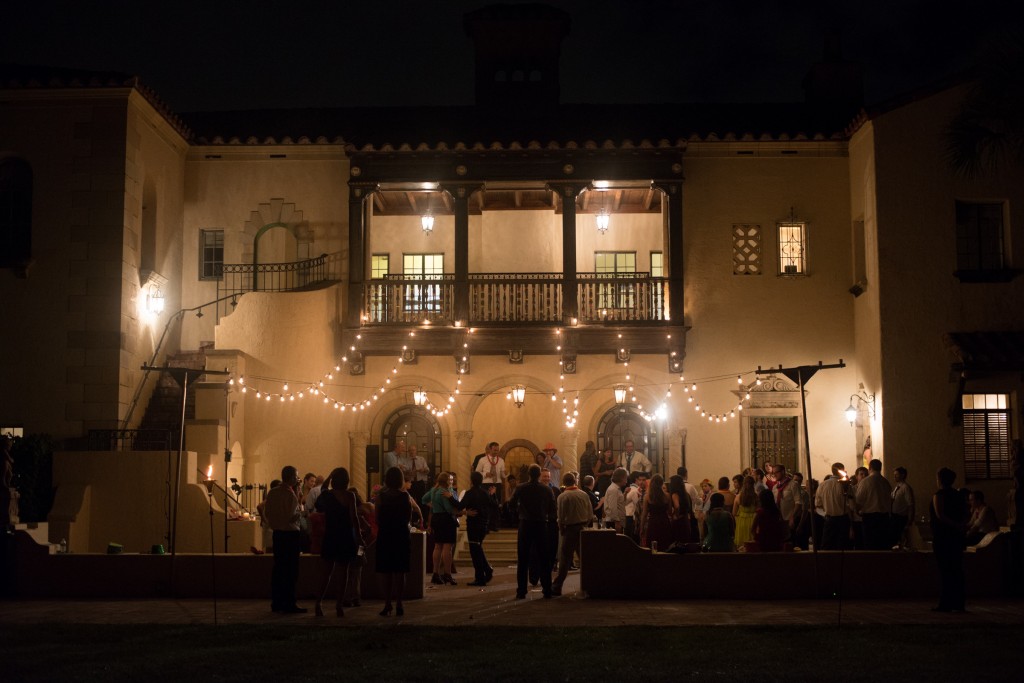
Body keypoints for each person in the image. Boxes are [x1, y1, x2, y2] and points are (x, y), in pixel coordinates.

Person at [314, 467, 364, 618]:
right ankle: (339, 606)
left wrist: (329, 475)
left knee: (326, 573)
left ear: (333, 480)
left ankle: (318, 603)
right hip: (345, 536)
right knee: (343, 573)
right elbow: (354, 518)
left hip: (331, 535)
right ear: (347, 481)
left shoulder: (328, 495)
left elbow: (321, 494)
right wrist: (359, 536)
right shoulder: (350, 496)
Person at [376, 466, 419, 617]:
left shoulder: (381, 496)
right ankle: (399, 603)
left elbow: (377, 517)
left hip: (386, 534)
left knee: (386, 571)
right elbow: (408, 517)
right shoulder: (405, 497)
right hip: (401, 533)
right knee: (400, 571)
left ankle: (387, 603)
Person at [510, 463, 557, 599]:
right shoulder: (547, 490)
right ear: (539, 475)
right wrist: (545, 514)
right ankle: (547, 589)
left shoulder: (521, 488)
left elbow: (511, 505)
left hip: (525, 523)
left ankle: (521, 591)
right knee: (544, 557)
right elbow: (553, 509)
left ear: (529, 474)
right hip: (542, 524)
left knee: (523, 558)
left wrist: (520, 512)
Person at [263, 465, 306, 614]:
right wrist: (300, 514)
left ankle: (276, 601)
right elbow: (291, 516)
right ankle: (289, 602)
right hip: (290, 534)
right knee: (291, 570)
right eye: (297, 477)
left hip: (278, 534)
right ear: (292, 478)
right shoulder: (290, 495)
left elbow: (267, 512)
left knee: (278, 569)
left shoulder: (273, 492)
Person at [551, 472, 595, 596]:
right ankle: (591, 585)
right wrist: (585, 524)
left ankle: (557, 586)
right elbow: (590, 513)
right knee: (584, 558)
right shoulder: (584, 494)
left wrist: (562, 529)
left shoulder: (562, 497)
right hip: (582, 528)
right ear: (575, 481)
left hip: (569, 529)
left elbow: (560, 517)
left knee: (565, 559)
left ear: (564, 483)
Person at [931, 467, 969, 612]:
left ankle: (946, 602)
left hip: (943, 536)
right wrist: (961, 526)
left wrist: (954, 525)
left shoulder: (939, 495)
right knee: (957, 569)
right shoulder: (958, 495)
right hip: (956, 537)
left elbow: (940, 515)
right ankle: (959, 603)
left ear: (940, 480)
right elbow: (966, 513)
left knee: (945, 570)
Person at [422, 472, 459, 586]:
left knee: (437, 546)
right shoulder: (444, 492)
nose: (451, 481)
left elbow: (423, 499)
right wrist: (461, 511)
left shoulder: (434, 490)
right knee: (447, 547)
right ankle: (447, 574)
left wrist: (433, 505)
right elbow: (449, 509)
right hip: (446, 519)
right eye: (450, 479)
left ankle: (435, 574)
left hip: (436, 518)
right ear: (447, 481)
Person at [461, 470, 498, 586]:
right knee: (477, 548)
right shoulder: (485, 493)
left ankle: (481, 577)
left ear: (471, 481)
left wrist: (450, 497)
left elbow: (459, 505)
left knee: (475, 551)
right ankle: (486, 570)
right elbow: (494, 504)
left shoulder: (470, 493)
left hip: (473, 525)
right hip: (483, 526)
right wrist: (493, 494)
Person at [855, 458, 893, 550]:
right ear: (880, 468)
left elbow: (859, 500)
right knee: (882, 544)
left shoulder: (865, 482)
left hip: (870, 518)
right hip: (884, 517)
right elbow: (890, 500)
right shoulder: (886, 482)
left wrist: (857, 511)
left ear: (870, 468)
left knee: (870, 544)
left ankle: (871, 563)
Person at [815, 463, 851, 549]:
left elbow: (818, 504)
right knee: (842, 545)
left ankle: (827, 561)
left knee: (827, 545)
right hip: (843, 518)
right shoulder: (845, 485)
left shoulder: (822, 485)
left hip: (829, 518)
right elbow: (851, 503)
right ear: (842, 470)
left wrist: (825, 514)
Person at [642, 474, 675, 549]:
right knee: (664, 544)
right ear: (661, 483)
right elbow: (670, 512)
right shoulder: (667, 496)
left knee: (652, 546)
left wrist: (642, 528)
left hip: (653, 523)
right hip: (664, 522)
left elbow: (644, 514)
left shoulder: (647, 497)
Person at [890, 466, 915, 549]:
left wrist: (909, 520)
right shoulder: (897, 487)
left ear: (903, 475)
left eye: (896, 475)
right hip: (895, 517)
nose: (894, 477)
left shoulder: (906, 488)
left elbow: (910, 504)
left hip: (901, 517)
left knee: (902, 539)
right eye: (894, 475)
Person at [666, 474, 692, 545]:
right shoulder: (685, 494)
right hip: (685, 520)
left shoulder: (675, 494)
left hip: (679, 521)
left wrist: (675, 515)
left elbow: (677, 506)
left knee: (678, 542)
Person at [732, 475, 757, 548]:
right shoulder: (756, 497)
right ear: (753, 484)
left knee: (741, 545)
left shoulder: (738, 497)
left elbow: (734, 513)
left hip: (741, 521)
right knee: (751, 546)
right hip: (753, 521)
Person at [603, 468, 628, 532]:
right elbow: (612, 508)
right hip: (614, 523)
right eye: (625, 478)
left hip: (616, 522)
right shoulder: (614, 489)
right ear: (621, 478)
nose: (626, 481)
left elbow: (620, 503)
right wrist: (617, 522)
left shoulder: (616, 489)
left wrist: (625, 494)